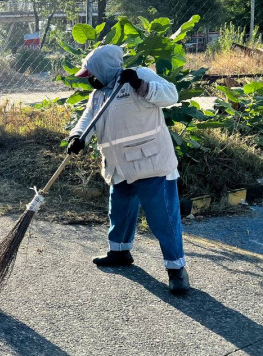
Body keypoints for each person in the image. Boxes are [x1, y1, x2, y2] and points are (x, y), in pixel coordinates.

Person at [67, 44, 190, 295]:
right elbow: (89, 117)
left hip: (151, 164)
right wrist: (78, 136)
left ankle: (176, 270)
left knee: (163, 219)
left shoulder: (138, 76)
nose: (91, 79)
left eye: (93, 73)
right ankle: (119, 252)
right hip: (119, 165)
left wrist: (140, 85)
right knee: (120, 211)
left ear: (104, 69)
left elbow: (171, 95)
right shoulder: (99, 94)